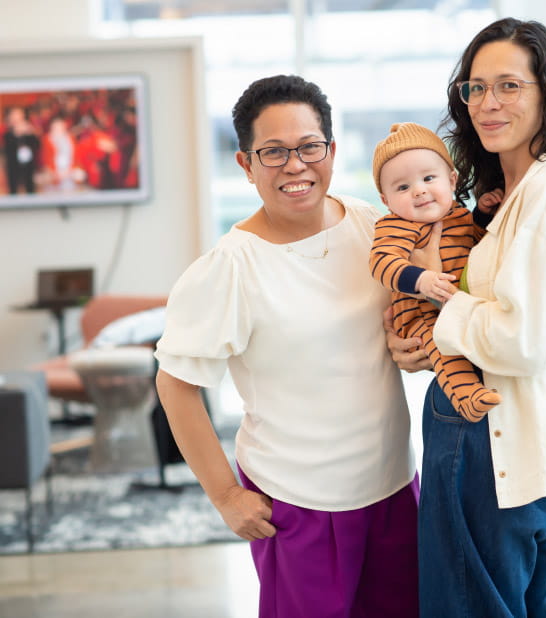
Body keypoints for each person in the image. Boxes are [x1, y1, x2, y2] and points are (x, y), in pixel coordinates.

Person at [154, 75, 419, 618]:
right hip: (298, 501)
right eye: (273, 152)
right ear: (246, 164)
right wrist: (226, 496)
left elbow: (401, 322)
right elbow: (175, 385)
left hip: (393, 485)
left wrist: (409, 346)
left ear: (332, 151)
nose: (295, 165)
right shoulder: (231, 267)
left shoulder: (374, 227)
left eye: (308, 147)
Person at [410, 17, 546, 617]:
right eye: (475, 87)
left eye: (509, 86)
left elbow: (520, 339)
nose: (488, 103)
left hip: (492, 442)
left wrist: (440, 306)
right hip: (517, 441)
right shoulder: (513, 191)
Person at [370, 121, 502, 422]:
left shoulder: (460, 216)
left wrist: (482, 215)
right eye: (403, 187)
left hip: (461, 306)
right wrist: (421, 279)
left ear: (452, 180)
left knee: (455, 337)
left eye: (429, 178)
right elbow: (381, 262)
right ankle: (467, 397)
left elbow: (481, 246)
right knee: (440, 343)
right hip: (419, 314)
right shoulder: (395, 225)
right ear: (385, 200)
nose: (419, 191)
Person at [3, 106, 39, 195]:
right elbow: (7, 146)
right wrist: (17, 133)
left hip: (28, 163)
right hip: (13, 163)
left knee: (29, 185)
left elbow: (36, 144)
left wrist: (30, 132)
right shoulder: (7, 130)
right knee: (13, 186)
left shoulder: (29, 128)